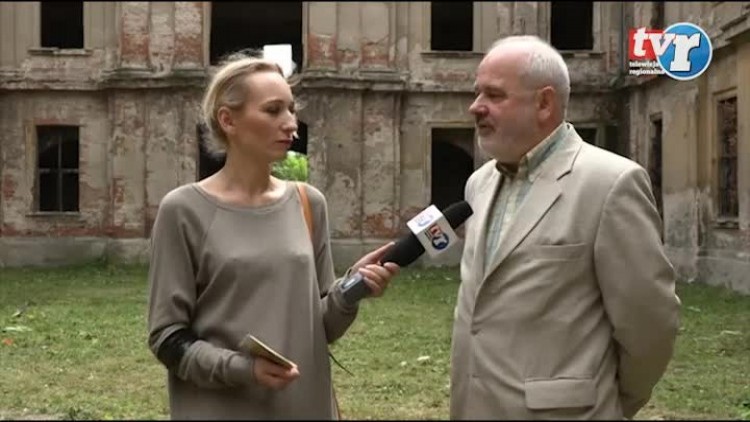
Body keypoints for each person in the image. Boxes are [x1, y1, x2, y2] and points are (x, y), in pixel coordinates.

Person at [146, 52, 400, 420]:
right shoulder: (183, 210)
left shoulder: (308, 202)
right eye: (273, 110)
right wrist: (243, 369)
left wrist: (350, 291)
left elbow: (320, 327)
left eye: (292, 110)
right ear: (228, 120)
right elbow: (167, 338)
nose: (291, 124)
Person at [450, 35, 681, 420]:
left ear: (544, 103)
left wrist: (613, 403)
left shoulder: (611, 183)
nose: (476, 107)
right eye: (477, 93)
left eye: (494, 95)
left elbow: (650, 324)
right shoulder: (480, 183)